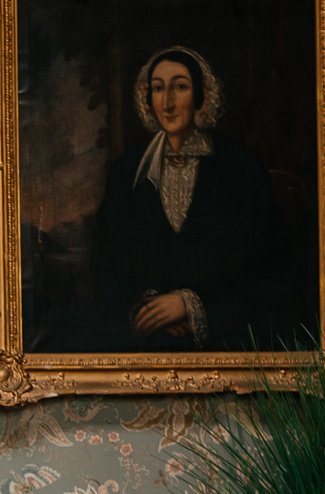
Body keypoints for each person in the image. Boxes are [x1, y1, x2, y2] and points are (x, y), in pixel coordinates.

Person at [57, 46, 306, 353]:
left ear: (201, 95)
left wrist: (193, 306)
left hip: (226, 334)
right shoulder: (127, 171)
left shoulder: (240, 167)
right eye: (158, 89)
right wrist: (146, 309)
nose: (168, 103)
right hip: (144, 337)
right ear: (147, 99)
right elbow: (107, 262)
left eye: (180, 87)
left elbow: (269, 265)